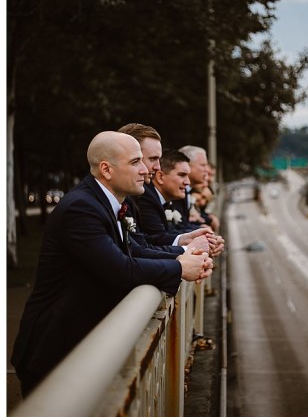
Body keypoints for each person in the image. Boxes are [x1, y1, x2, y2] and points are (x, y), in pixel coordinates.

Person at [12, 132, 212, 395]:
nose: (145, 170)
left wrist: (183, 253)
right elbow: (120, 268)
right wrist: (181, 267)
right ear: (106, 169)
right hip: (55, 345)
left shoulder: (107, 202)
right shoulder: (81, 208)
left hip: (80, 343)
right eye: (135, 162)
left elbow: (135, 249)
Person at [117, 124, 214, 253]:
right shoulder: (141, 196)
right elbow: (133, 254)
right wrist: (186, 252)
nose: (158, 167)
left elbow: (139, 245)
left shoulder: (130, 197)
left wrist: (188, 239)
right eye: (152, 159)